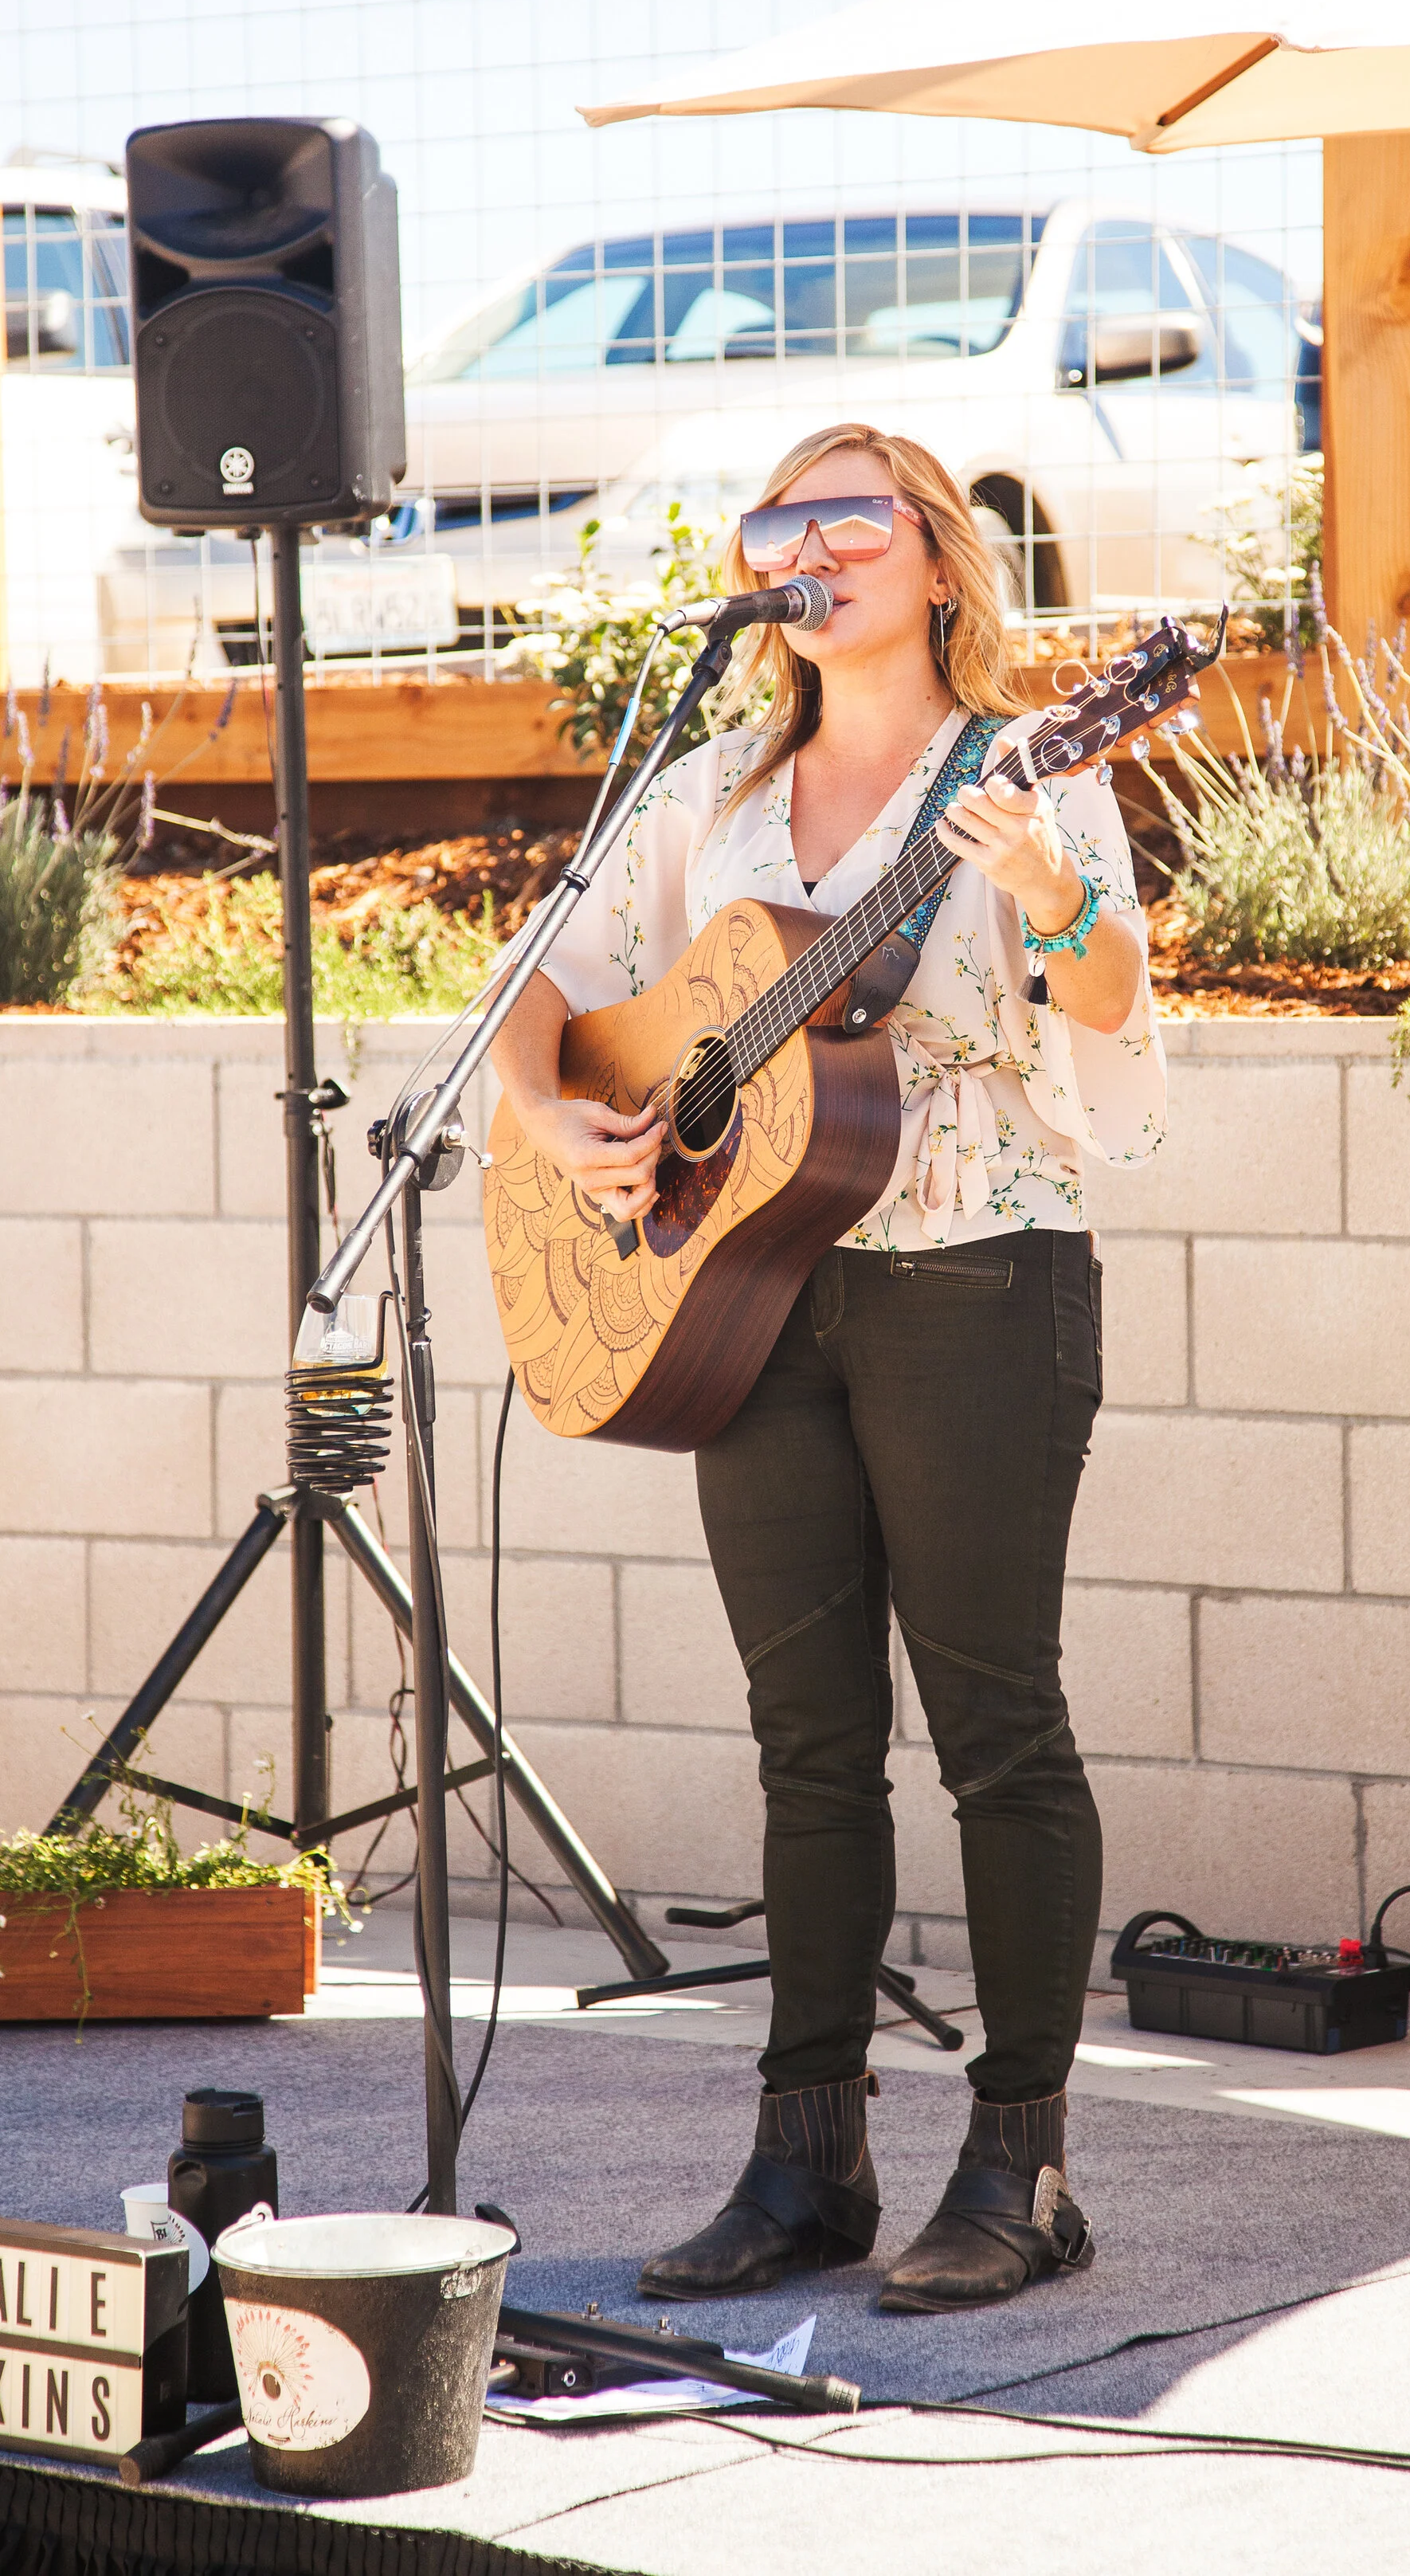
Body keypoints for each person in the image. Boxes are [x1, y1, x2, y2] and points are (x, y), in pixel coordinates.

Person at [492, 421, 1168, 2314]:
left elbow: (1108, 997)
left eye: (847, 518)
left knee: (995, 1733)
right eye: (777, 520)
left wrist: (1040, 882)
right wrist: (562, 1133)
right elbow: (544, 994)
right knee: (807, 1752)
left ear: (938, 563)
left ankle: (1020, 2164)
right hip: (752, 1295)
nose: (807, 547)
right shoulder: (710, 785)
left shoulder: (1025, 767)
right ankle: (805, 2163)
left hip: (974, 1276)